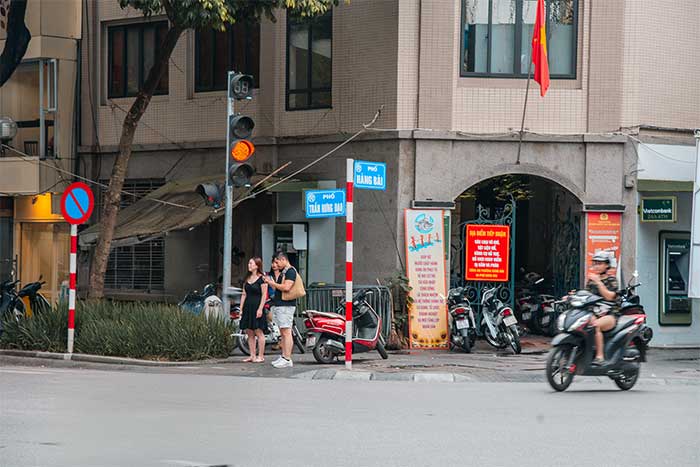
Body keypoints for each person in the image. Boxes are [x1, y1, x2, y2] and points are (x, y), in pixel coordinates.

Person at [263, 251, 297, 368]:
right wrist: (270, 282)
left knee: (287, 332)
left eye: (277, 262)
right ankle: (284, 356)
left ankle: (287, 358)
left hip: (286, 305)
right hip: (280, 305)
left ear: (283, 259)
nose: (276, 264)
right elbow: (278, 288)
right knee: (283, 332)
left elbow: (286, 287)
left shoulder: (290, 271)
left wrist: (272, 283)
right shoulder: (284, 272)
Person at [586, 251, 619, 365]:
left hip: (610, 315)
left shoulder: (612, 280)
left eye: (600, 263)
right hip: (594, 313)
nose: (597, 266)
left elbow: (610, 296)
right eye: (595, 263)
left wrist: (598, 282)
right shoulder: (591, 281)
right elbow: (586, 295)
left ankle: (600, 356)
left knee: (595, 326)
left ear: (607, 265)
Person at [239, 257, 268, 363]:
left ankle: (261, 356)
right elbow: (244, 294)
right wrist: (241, 309)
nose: (249, 265)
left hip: (257, 306)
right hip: (247, 306)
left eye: (251, 263)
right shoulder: (247, 278)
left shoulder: (262, 278)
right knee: (249, 332)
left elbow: (264, 295)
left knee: (258, 331)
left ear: (257, 265)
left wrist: (260, 309)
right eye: (248, 263)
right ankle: (252, 355)